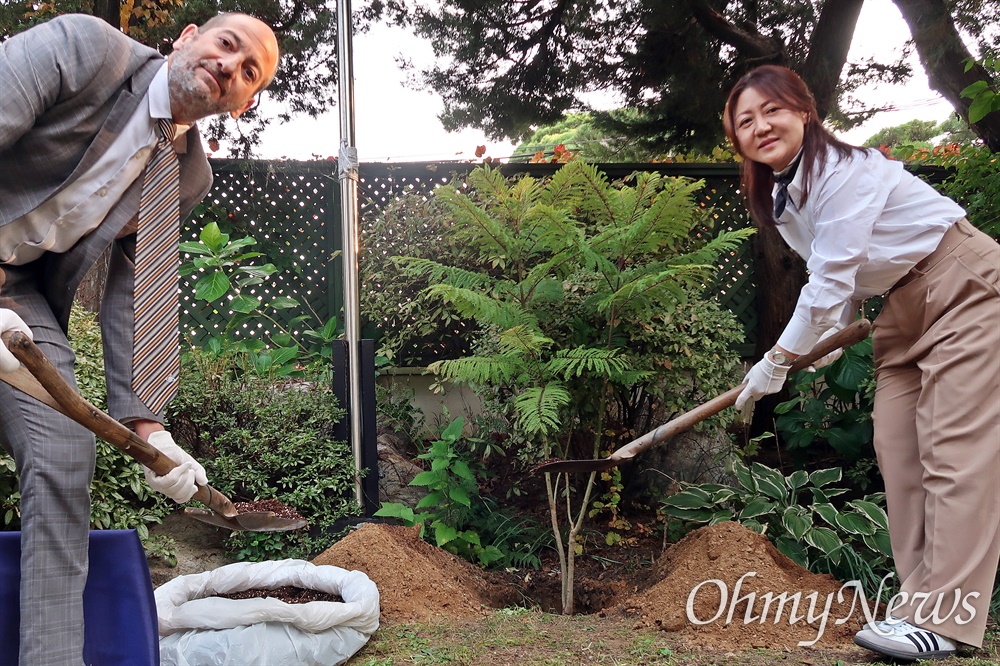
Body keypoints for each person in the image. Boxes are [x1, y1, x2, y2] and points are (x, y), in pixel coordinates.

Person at [0, 12, 279, 665]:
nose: (229, 67)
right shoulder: (84, 50)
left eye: (248, 74)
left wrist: (151, 426)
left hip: (17, 291)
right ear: (186, 39)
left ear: (243, 105)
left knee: (64, 456)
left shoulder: (187, 176)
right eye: (227, 45)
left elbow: (137, 288)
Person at [724, 64, 1000, 662]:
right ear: (737, 139)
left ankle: (945, 621)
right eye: (745, 120)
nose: (761, 125)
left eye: (772, 110)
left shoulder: (842, 171)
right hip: (900, 308)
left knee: (953, 451)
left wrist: (776, 359)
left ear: (803, 110)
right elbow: (843, 284)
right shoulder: (785, 196)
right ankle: (917, 605)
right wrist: (817, 354)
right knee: (897, 451)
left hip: (962, 284)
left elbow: (824, 285)